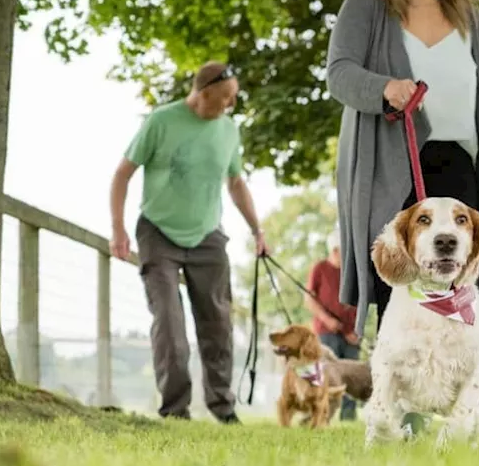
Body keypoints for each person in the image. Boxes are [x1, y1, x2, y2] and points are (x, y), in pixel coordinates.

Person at [326, 0, 479, 372]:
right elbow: (339, 74)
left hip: (459, 167)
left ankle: (452, 401)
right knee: (401, 280)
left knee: (458, 283)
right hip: (390, 165)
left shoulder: (470, 18)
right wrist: (383, 87)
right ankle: (399, 410)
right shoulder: (365, 6)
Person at [108, 61, 269, 423]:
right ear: (204, 90)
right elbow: (122, 173)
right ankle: (175, 410)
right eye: (225, 98)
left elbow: (236, 183)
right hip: (158, 231)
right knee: (169, 325)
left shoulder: (228, 130)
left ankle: (223, 409)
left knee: (218, 325)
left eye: (234, 99)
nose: (230, 105)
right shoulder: (161, 121)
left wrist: (258, 229)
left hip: (208, 234)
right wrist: (117, 228)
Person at [306, 234, 362, 421]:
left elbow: (360, 301)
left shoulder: (352, 271)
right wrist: (327, 320)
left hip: (350, 334)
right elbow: (309, 299)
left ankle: (348, 418)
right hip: (326, 333)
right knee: (326, 375)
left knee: (351, 379)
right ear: (335, 250)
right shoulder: (320, 268)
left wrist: (357, 329)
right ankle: (319, 416)